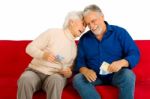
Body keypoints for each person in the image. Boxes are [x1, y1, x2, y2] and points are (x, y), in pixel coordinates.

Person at [73, 4, 140, 99]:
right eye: (88, 24)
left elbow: (134, 53)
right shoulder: (84, 39)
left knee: (128, 75)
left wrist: (122, 62)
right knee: (78, 79)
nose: (92, 26)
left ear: (102, 16)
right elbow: (80, 62)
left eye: (93, 21)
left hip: (117, 75)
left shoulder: (120, 32)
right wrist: (85, 70)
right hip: (95, 77)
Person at [17, 11, 85, 99]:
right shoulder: (52, 33)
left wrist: (68, 73)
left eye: (85, 26)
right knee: (25, 79)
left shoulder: (75, 48)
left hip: (55, 75)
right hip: (35, 71)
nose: (84, 28)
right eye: (83, 24)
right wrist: (43, 55)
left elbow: (69, 70)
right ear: (71, 22)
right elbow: (29, 48)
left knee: (56, 81)